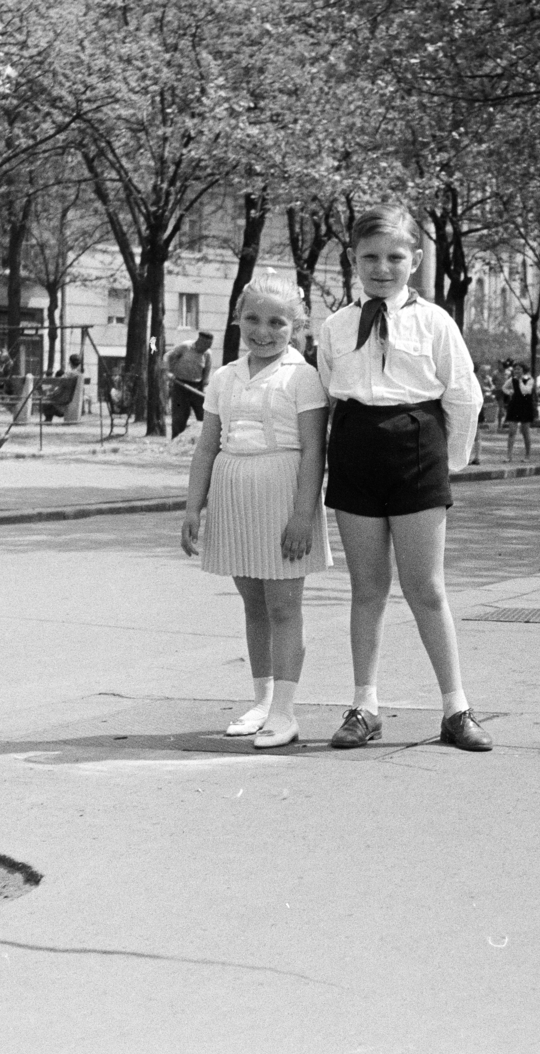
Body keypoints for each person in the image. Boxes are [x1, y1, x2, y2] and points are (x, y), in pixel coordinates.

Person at [315, 205, 490, 752]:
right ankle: (365, 705)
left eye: (394, 257)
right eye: (370, 257)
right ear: (352, 260)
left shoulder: (434, 321)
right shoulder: (336, 325)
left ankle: (456, 709)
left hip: (417, 448)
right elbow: (325, 392)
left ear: (414, 260)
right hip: (356, 448)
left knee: (426, 589)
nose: (382, 268)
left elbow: (464, 396)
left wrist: (447, 465)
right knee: (366, 589)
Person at [179, 273, 330, 749]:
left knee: (284, 606)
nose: (262, 332)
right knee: (253, 603)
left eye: (277, 322)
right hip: (233, 495)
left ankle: (285, 712)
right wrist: (193, 507)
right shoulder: (224, 376)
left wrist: (302, 515)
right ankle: (262, 701)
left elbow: (313, 450)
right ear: (237, 319)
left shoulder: (302, 376)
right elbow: (206, 446)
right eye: (252, 319)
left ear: (297, 326)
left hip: (283, 495)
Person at [167, 329, 213, 437]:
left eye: (209, 346)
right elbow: (168, 356)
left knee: (204, 416)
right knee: (179, 417)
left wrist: (205, 386)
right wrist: (168, 371)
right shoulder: (184, 347)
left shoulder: (207, 354)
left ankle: (205, 443)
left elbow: (207, 372)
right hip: (180, 386)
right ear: (199, 341)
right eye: (205, 346)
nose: (206, 349)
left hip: (197, 387)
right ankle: (176, 443)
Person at [502, 361, 536, 462]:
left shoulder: (529, 379)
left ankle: (527, 455)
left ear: (523, 370)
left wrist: (520, 381)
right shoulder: (512, 380)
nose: (516, 371)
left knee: (525, 431)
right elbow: (504, 387)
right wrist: (509, 392)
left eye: (519, 369)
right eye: (515, 369)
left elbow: (526, 391)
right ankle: (509, 455)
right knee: (512, 431)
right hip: (515, 405)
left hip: (525, 405)